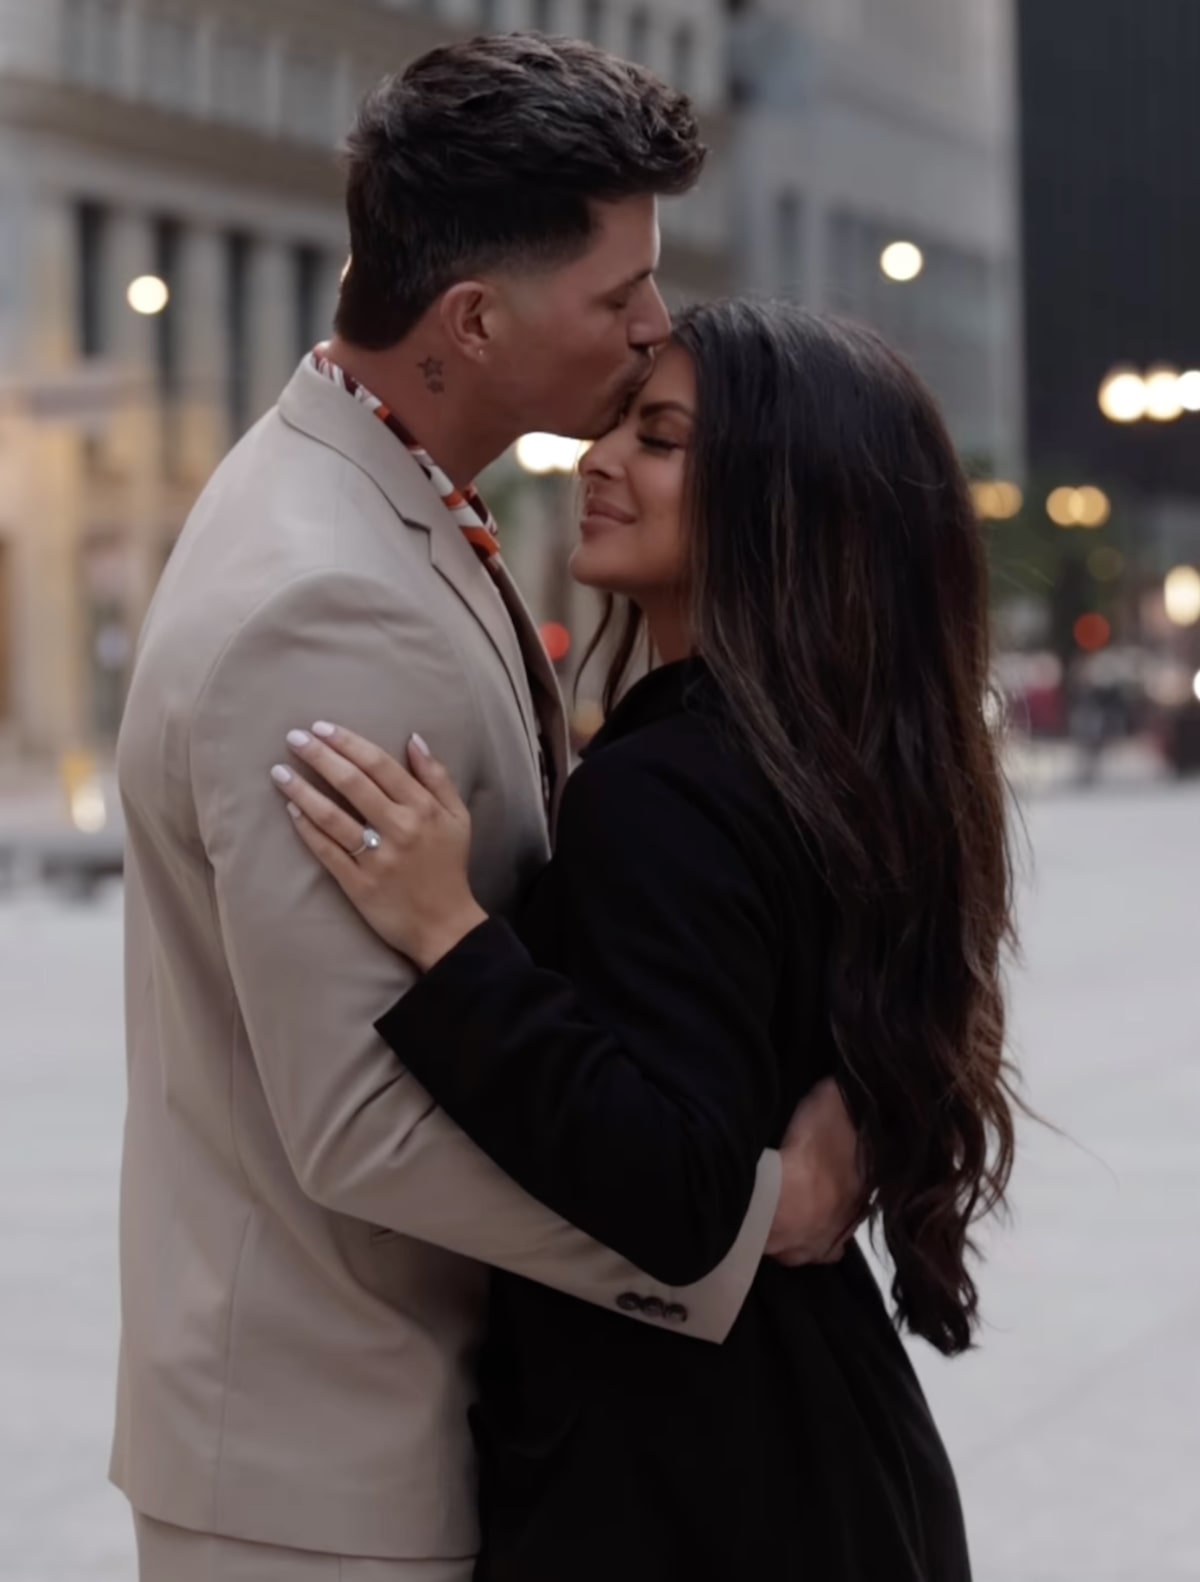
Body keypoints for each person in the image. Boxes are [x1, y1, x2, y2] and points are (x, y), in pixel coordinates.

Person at [112, 38, 862, 1582]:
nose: (653, 324)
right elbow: (361, 1123)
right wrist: (745, 1221)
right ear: (471, 321)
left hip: (391, 1428)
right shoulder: (322, 599)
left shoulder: (379, 496)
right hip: (334, 1463)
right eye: (617, 294)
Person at [272, 300, 1023, 1582]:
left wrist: (452, 936)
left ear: (783, 505)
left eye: (661, 440)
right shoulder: (842, 766)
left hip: (692, 1488)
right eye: (619, 425)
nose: (601, 460)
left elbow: (677, 1188)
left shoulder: (668, 787)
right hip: (823, 1450)